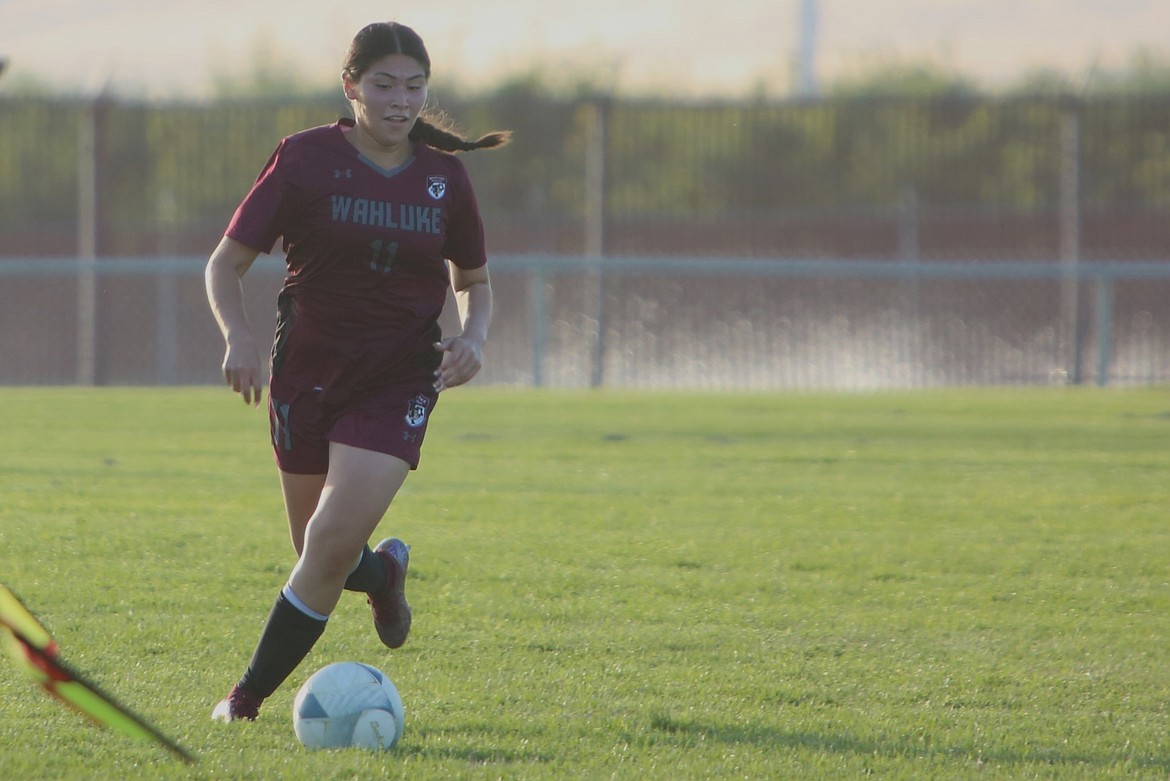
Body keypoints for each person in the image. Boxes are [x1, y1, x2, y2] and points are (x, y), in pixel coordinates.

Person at [204, 21, 510, 722]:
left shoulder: (444, 179)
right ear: (351, 86)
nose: (401, 100)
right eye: (384, 84)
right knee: (317, 548)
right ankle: (386, 573)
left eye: (414, 86)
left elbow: (476, 280)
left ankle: (244, 698)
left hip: (399, 376)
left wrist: (476, 336)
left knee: (330, 541)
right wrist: (238, 337)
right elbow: (225, 263)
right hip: (305, 372)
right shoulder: (305, 159)